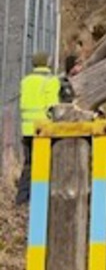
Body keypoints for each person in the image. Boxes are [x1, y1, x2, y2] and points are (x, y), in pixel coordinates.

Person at [15, 52, 61, 207]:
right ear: (47, 63)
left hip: (27, 129)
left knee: (28, 165)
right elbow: (53, 107)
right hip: (44, 129)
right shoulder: (51, 81)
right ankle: (40, 201)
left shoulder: (26, 81)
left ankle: (22, 199)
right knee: (45, 164)